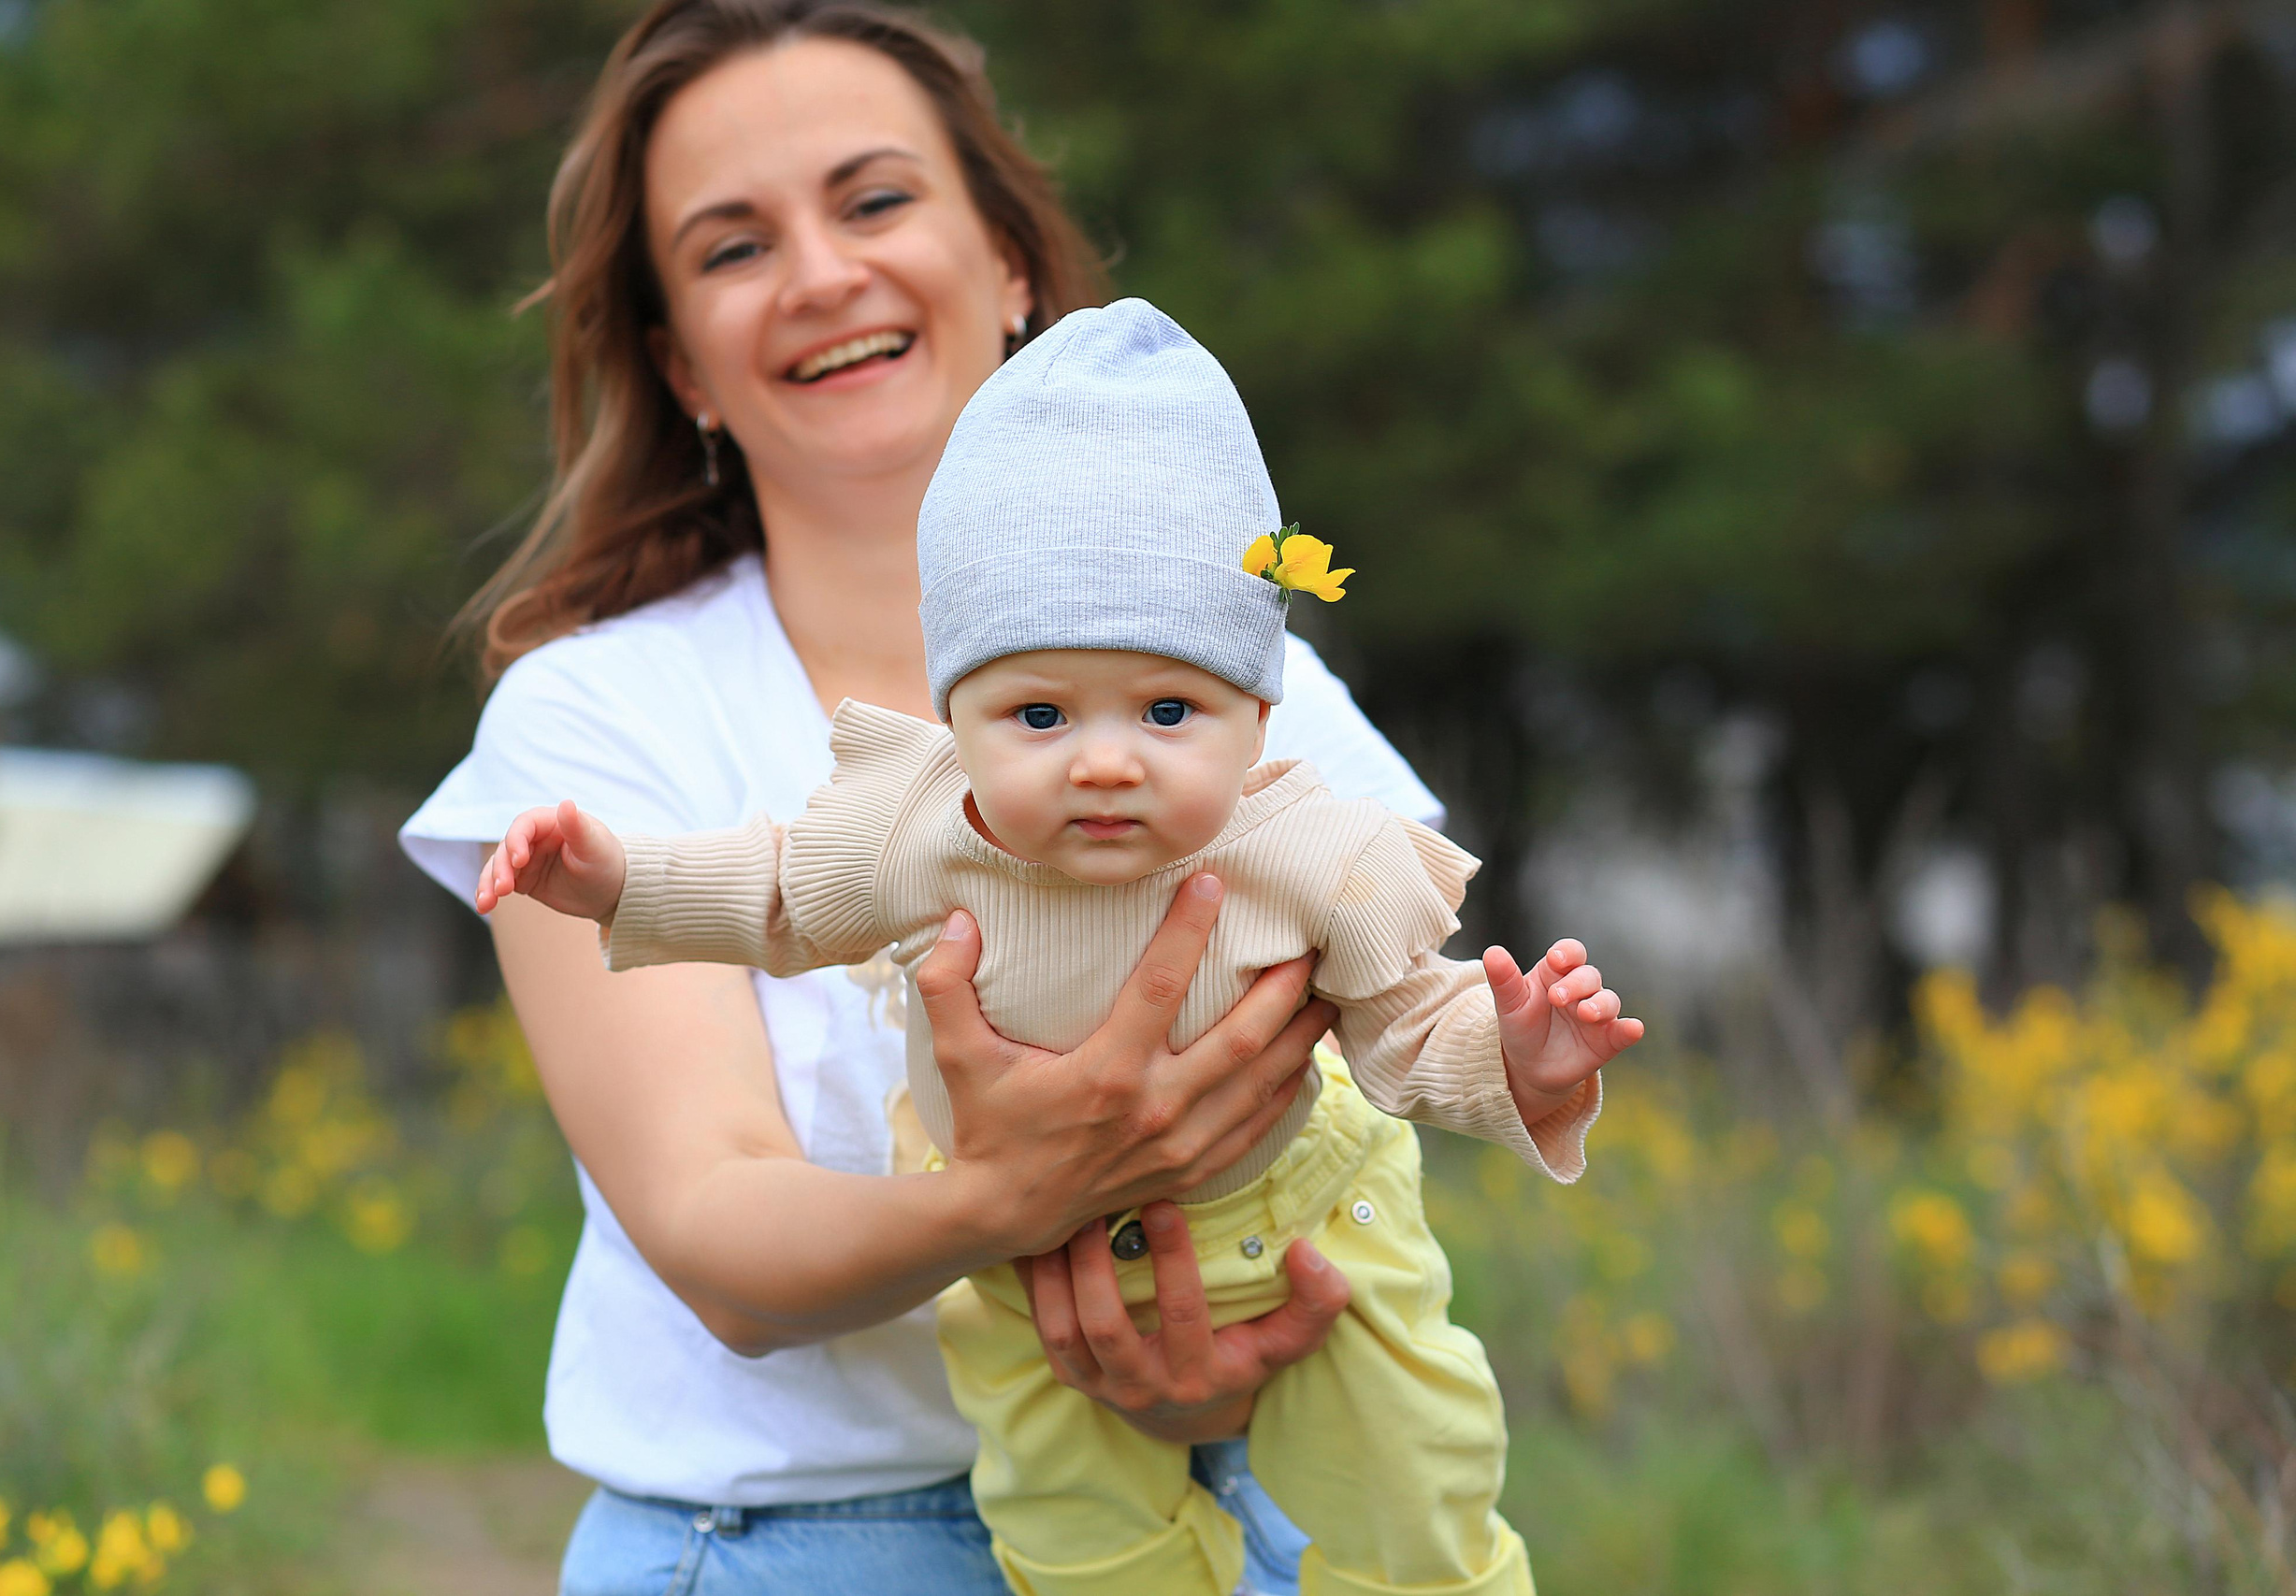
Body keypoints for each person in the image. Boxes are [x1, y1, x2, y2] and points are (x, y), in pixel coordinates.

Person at [397, 4, 1549, 1590]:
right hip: (786, 1543)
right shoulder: (596, 713)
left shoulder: (1252, 680)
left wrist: (1222, 1353)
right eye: (733, 249)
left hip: (1216, 1501)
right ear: (683, 368)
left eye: (873, 201)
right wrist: (1015, 1198)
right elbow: (722, 1244)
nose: (819, 275)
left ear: (1010, 267)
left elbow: (1354, 1086)